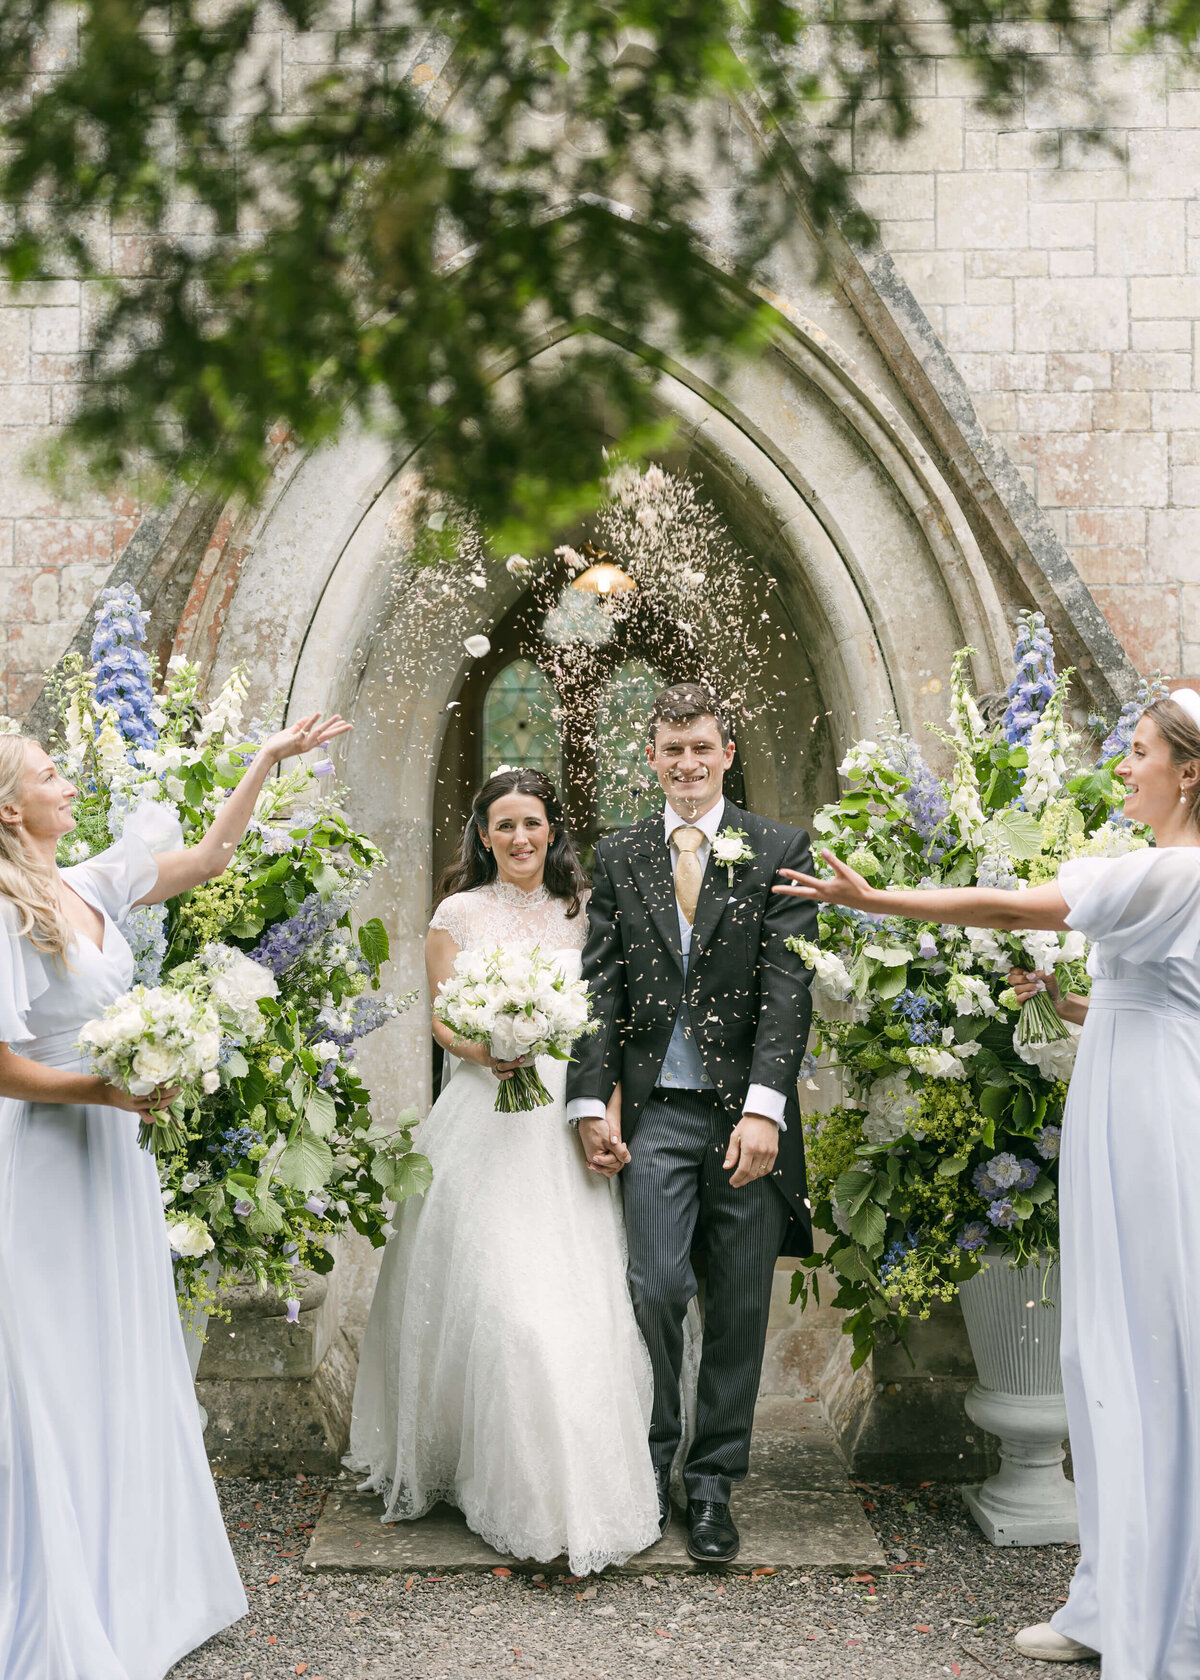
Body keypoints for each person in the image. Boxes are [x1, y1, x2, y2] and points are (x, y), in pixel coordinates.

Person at [775, 688, 1200, 1677]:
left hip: (1152, 1128)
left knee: (1147, 1355)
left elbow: (1017, 903)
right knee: (1109, 1356)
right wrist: (1069, 998)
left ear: (1190, 770)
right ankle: (1110, 1596)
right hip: (1140, 1102)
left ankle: (1163, 1615)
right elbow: (1167, 1000)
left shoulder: (1169, 871)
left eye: (1139, 752)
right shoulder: (1170, 880)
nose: (1123, 767)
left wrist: (874, 900)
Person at [0, 712, 350, 1680]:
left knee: (121, 1348)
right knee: (57, 1359)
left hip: (114, 1147)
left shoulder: (90, 882)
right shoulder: (4, 905)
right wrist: (100, 1088)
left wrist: (265, 762)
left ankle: (137, 1579)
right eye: (50, 772)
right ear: (10, 805)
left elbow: (207, 857)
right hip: (51, 1152)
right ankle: (62, 1586)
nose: (69, 783)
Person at [347, 768, 661, 1577]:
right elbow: (447, 1022)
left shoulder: (583, 913)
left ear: (554, 829)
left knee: (571, 1306)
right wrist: (492, 1046)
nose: (520, 838)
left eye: (533, 823)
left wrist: (605, 1115)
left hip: (563, 1124)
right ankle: (489, 1476)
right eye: (504, 826)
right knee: (500, 1307)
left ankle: (571, 1494)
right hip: (484, 1121)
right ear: (483, 836)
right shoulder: (457, 914)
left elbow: (609, 1024)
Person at [566, 682, 818, 1564]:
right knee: (656, 1286)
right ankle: (649, 1461)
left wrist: (765, 1111)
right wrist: (589, 1104)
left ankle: (711, 1487)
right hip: (661, 1117)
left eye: (701, 748)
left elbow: (789, 991)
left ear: (726, 753)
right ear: (652, 758)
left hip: (742, 1118)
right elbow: (600, 986)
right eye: (671, 750)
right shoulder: (623, 852)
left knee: (741, 1306)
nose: (687, 764)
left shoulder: (779, 847)